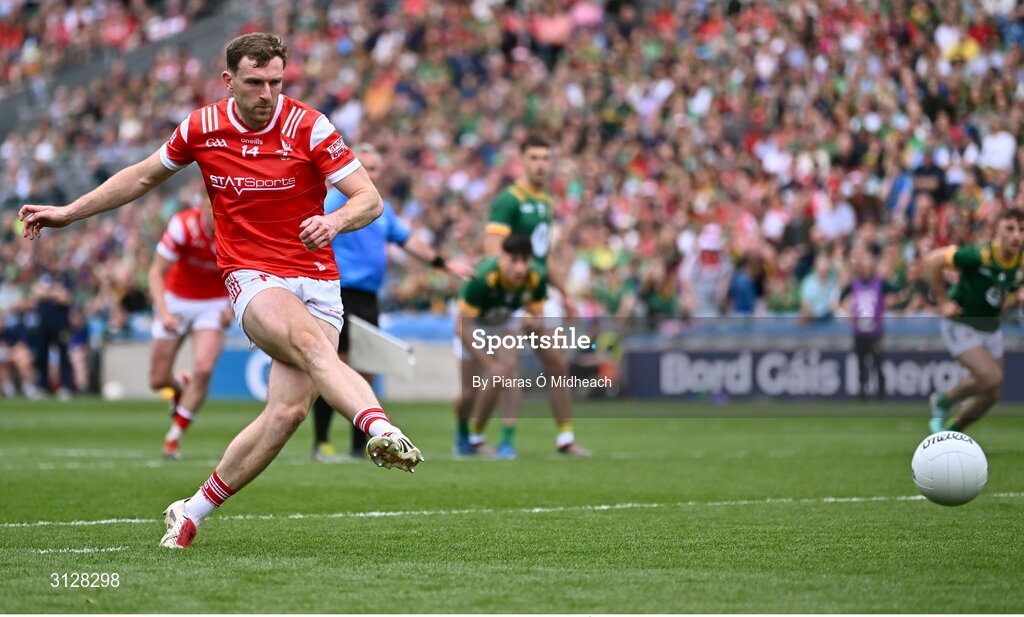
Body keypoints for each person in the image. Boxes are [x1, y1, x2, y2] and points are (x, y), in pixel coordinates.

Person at [20, 33, 423, 550]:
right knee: (311, 347)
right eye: (255, 83)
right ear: (229, 81)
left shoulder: (309, 125)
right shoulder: (201, 127)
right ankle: (380, 428)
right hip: (253, 275)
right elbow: (143, 177)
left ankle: (191, 511)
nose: (267, 94)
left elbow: (369, 199)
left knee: (288, 413)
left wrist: (335, 220)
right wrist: (69, 213)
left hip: (318, 278)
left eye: (276, 82)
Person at [310, 144, 472, 462]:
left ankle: (358, 446)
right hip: (337, 292)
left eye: (375, 168)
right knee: (335, 367)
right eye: (364, 167)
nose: (370, 173)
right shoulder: (332, 201)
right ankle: (322, 442)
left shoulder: (380, 208)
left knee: (366, 369)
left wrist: (443, 263)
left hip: (369, 297)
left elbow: (408, 240)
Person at [478, 134, 589, 456]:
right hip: (512, 295)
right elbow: (492, 250)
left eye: (545, 158)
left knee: (556, 361)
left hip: (538, 292)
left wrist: (565, 293)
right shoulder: (509, 200)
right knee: (504, 370)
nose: (541, 164)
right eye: (534, 158)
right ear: (522, 160)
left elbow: (544, 256)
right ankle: (477, 435)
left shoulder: (546, 202)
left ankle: (565, 437)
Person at [923, 208, 1024, 434]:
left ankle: (953, 431)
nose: (1017, 235)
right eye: (1010, 229)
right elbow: (932, 261)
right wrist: (941, 301)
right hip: (961, 323)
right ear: (997, 231)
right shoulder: (980, 255)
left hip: (991, 327)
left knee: (993, 392)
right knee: (990, 377)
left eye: (1021, 230)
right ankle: (943, 401)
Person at [148, 196, 232, 460]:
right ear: (203, 206)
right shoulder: (183, 226)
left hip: (213, 303)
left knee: (204, 369)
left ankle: (173, 438)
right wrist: (163, 312)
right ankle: (178, 384)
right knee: (158, 381)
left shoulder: (237, 229)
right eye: (213, 208)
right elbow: (155, 272)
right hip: (176, 300)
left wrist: (231, 308)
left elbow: (246, 271)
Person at [456, 234, 547, 458]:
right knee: (470, 393)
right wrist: (489, 364)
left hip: (504, 322)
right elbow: (461, 328)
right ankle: (463, 433)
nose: (520, 267)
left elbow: (538, 317)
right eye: (514, 260)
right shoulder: (482, 277)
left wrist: (531, 324)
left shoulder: (536, 276)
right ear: (502, 257)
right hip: (473, 326)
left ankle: (507, 441)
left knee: (509, 373)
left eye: (524, 261)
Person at [841, 249, 897, 399]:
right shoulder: (854, 284)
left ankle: (881, 393)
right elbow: (840, 298)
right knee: (861, 364)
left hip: (876, 331)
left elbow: (896, 292)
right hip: (859, 331)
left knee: (878, 363)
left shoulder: (880, 283)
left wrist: (891, 303)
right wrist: (847, 311)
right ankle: (862, 393)